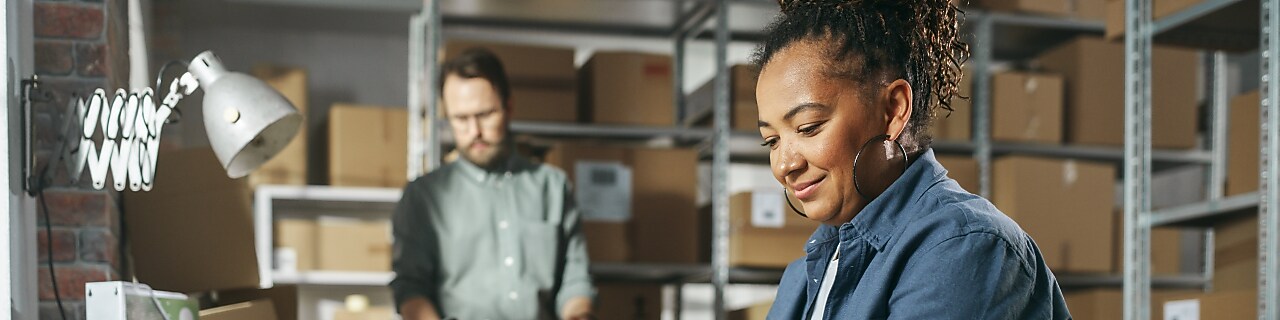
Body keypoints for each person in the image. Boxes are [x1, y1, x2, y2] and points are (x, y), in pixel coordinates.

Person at [752, 0, 1070, 318]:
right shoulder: (804, 276)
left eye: (808, 128)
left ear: (893, 110)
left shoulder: (962, 246)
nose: (784, 166)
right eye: (772, 141)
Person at [390, 47, 594, 320]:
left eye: (485, 115)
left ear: (508, 107)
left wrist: (578, 313)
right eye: (461, 119)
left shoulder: (553, 187)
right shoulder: (423, 197)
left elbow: (575, 280)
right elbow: (411, 286)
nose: (474, 132)